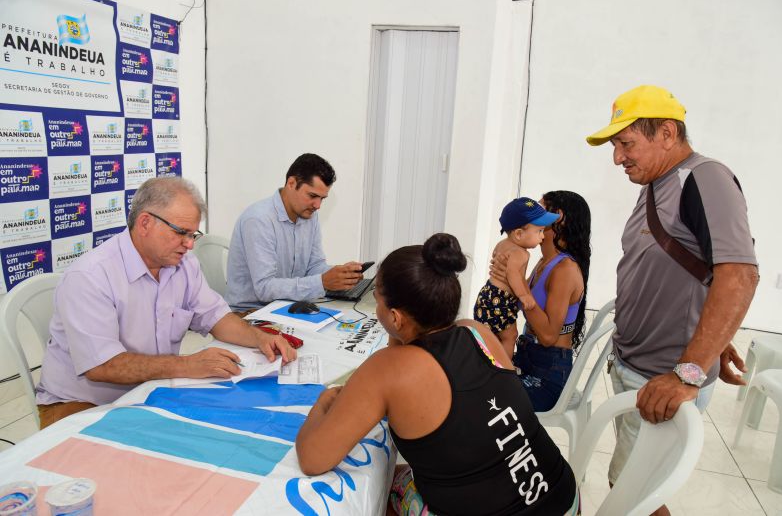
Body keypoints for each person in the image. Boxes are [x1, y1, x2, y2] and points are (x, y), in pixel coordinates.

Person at [295, 233, 579, 516]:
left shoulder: (386, 370)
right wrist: (401, 331)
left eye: (377, 298)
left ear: (395, 316)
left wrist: (323, 403)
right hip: (564, 499)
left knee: (381, 487)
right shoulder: (476, 332)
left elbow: (312, 459)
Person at [586, 85, 758, 514]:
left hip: (664, 379)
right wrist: (713, 338)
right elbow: (699, 271)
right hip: (642, 370)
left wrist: (689, 371)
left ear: (666, 132)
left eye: (625, 144)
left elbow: (739, 276)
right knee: (634, 485)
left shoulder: (704, 178)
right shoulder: (655, 184)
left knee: (634, 495)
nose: (617, 157)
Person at [36, 177, 297, 429]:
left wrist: (260, 338)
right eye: (182, 233)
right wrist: (188, 365)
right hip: (83, 403)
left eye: (194, 234)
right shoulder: (91, 276)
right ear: (145, 223)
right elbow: (103, 365)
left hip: (151, 387)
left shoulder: (183, 264)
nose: (190, 245)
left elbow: (216, 317)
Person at [225, 153, 364, 312]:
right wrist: (323, 282)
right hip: (250, 313)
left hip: (288, 306)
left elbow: (314, 267)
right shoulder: (258, 220)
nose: (317, 205)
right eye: (312, 196)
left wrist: (341, 276)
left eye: (322, 199)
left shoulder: (310, 216)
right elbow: (264, 288)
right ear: (291, 183)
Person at [492, 191, 591, 412]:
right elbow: (517, 302)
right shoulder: (544, 261)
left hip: (548, 374)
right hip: (529, 358)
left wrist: (519, 286)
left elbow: (547, 336)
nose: (530, 217)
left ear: (559, 219)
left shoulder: (564, 269)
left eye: (538, 209)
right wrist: (501, 278)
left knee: (482, 394)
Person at [473, 197, 559, 360]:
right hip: (501, 299)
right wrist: (524, 296)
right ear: (519, 234)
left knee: (489, 337)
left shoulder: (502, 244)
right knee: (510, 336)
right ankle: (504, 370)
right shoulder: (521, 253)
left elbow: (499, 265)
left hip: (487, 294)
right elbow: (512, 274)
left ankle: (488, 365)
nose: (542, 236)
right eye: (539, 231)